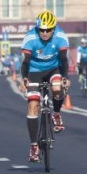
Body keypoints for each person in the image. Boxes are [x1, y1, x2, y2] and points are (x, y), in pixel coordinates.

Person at [21, 11, 71, 163]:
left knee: (57, 88)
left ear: (53, 28)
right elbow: (26, 62)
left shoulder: (61, 36)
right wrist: (24, 79)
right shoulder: (30, 38)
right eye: (41, 30)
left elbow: (63, 58)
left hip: (54, 68)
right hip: (34, 71)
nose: (44, 33)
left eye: (48, 30)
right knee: (33, 103)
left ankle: (56, 113)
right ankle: (34, 145)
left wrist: (65, 78)